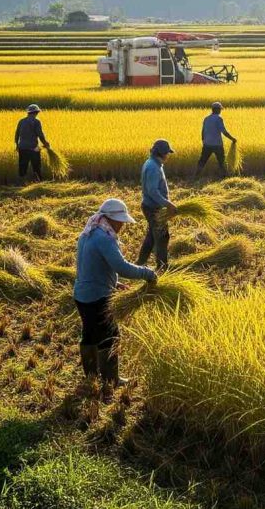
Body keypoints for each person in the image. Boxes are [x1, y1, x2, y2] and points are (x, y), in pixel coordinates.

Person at [72, 198, 157, 394]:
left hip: (82, 296)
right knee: (111, 336)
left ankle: (91, 377)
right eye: (120, 221)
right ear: (110, 218)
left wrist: (114, 283)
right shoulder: (104, 238)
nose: (122, 226)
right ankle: (111, 380)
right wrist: (148, 274)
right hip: (97, 297)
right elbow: (122, 267)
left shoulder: (88, 233)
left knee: (90, 334)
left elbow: (89, 267)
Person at [136, 139, 177, 272]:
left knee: (152, 236)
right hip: (153, 208)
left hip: (152, 206)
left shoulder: (153, 163)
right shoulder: (153, 167)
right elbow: (153, 191)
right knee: (162, 236)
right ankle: (162, 267)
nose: (168, 155)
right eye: (167, 153)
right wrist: (168, 204)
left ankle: (140, 262)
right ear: (161, 153)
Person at [196, 102, 236, 178]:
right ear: (216, 109)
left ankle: (196, 176)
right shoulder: (218, 118)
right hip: (217, 144)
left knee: (202, 161)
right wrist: (232, 139)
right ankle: (224, 177)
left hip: (207, 144)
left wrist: (204, 141)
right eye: (220, 109)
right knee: (222, 162)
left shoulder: (206, 119)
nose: (220, 111)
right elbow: (224, 131)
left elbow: (203, 132)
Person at [14, 104, 50, 182]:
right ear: (36, 112)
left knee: (22, 166)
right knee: (36, 167)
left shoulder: (21, 121)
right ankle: (39, 182)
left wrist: (17, 145)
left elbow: (17, 134)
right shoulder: (36, 122)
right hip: (34, 148)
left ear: (28, 112)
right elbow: (40, 134)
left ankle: (22, 183)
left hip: (22, 148)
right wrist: (45, 143)